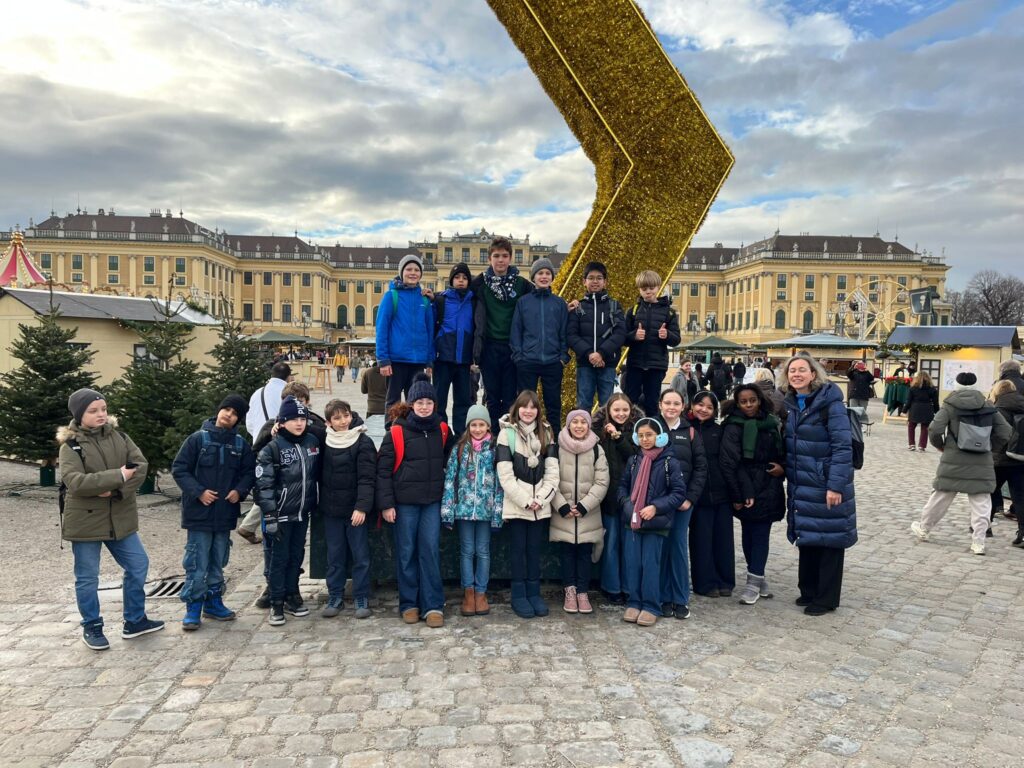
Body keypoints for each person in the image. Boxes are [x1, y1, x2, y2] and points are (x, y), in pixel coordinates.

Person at [58, 388, 162, 650]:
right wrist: (119, 475)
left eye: (103, 409)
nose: (101, 414)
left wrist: (117, 489)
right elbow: (76, 482)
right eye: (93, 411)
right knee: (87, 577)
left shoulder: (121, 437)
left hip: (120, 517)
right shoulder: (70, 446)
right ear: (79, 414)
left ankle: (135, 621)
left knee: (138, 564)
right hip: (86, 522)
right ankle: (92, 626)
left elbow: (140, 467)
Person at [170, 394, 256, 631]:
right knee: (197, 563)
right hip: (199, 515)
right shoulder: (197, 440)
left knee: (218, 561)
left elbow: (249, 473)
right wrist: (198, 492)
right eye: (226, 409)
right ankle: (193, 606)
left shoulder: (240, 445)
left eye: (235, 413)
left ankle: (214, 602)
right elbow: (180, 469)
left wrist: (239, 491)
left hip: (224, 515)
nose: (229, 415)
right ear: (219, 410)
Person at [781, 353, 857, 615]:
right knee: (809, 535)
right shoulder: (792, 403)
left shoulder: (830, 404)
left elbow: (842, 447)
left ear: (813, 374)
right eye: (792, 371)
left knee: (829, 539)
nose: (797, 374)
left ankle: (826, 598)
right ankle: (809, 590)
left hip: (824, 482)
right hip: (802, 482)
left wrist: (835, 485)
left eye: (802, 370)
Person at [376, 375, 453, 628]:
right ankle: (409, 603)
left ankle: (433, 604)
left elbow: (452, 460)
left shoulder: (443, 430)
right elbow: (383, 471)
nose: (424, 407)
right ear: (411, 404)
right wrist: (387, 504)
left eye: (428, 402)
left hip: (431, 501)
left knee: (429, 551)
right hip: (404, 503)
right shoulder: (397, 431)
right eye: (419, 402)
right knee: (406, 552)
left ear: (435, 405)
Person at [911, 372, 1011, 555]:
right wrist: (989, 447)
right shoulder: (987, 405)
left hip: (954, 459)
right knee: (981, 502)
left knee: (940, 497)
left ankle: (924, 528)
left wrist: (942, 446)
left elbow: (935, 429)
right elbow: (1005, 431)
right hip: (981, 461)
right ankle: (978, 542)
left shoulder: (950, 405)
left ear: (956, 385)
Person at [255, 396, 321, 626]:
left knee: (296, 556)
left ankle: (293, 594)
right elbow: (264, 486)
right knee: (278, 559)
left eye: (302, 418)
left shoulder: (312, 441)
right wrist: (270, 515)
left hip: (302, 512)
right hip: (280, 513)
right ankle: (276, 601)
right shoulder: (272, 448)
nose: (299, 423)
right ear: (281, 422)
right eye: (293, 419)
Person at [719, 385, 786, 605]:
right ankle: (757, 578)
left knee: (760, 534)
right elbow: (729, 462)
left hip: (769, 485)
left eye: (752, 400)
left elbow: (783, 451)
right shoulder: (733, 426)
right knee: (749, 534)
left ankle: (754, 581)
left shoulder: (771, 423)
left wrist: (783, 468)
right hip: (745, 486)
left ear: (760, 400)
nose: (748, 405)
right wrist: (738, 494)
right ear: (737, 403)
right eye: (743, 401)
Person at [496, 390, 559, 619]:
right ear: (517, 408)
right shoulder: (506, 434)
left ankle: (534, 593)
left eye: (533, 407)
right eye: (524, 406)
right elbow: (505, 475)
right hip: (517, 506)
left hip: (540, 506)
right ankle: (519, 595)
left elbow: (552, 472)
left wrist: (541, 499)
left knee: (534, 550)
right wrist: (525, 500)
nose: (528, 411)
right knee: (518, 550)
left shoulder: (547, 432)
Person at [618, 417, 687, 627]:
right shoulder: (634, 461)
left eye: (649, 435)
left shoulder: (669, 462)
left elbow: (678, 493)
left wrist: (656, 507)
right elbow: (622, 487)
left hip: (656, 523)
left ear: (660, 436)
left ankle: (651, 605)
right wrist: (627, 505)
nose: (645, 439)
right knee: (633, 563)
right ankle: (634, 601)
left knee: (651, 565)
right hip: (633, 521)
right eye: (641, 436)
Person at [441, 403, 504, 617]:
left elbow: (499, 484)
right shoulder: (460, 449)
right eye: (474, 425)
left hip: (486, 511)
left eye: (481, 425)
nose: (477, 429)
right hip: (464, 510)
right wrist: (447, 511)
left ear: (488, 426)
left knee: (483, 551)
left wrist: (497, 513)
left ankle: (480, 592)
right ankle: (468, 592)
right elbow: (450, 480)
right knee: (467, 551)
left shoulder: (494, 450)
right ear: (468, 426)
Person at [319, 399, 376, 620]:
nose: (343, 421)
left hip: (355, 510)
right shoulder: (324, 440)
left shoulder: (362, 441)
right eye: (337, 418)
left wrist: (362, 507)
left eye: (346, 416)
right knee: (335, 555)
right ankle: (335, 595)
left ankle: (361, 596)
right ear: (329, 422)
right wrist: (276, 426)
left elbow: (367, 477)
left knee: (360, 556)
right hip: (332, 509)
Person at [550, 409, 610, 614]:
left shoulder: (597, 449)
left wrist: (585, 505)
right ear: (568, 425)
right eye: (574, 422)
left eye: (583, 422)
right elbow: (550, 479)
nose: (578, 426)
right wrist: (561, 505)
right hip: (564, 512)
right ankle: (570, 591)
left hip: (588, 512)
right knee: (567, 553)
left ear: (589, 425)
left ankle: (583, 592)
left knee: (585, 554)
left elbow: (602, 481)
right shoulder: (557, 448)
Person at [471, 237, 534, 429]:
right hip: (489, 346)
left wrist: (565, 305)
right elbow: (459, 296)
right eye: (496, 256)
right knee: (491, 395)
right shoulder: (480, 283)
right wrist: (435, 297)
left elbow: (541, 299)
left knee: (509, 396)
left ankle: (507, 435)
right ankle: (492, 436)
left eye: (505, 256)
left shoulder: (522, 285)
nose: (500, 260)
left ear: (510, 258)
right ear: (489, 258)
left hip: (512, 347)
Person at [657, 388, 707, 620]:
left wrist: (690, 498)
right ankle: (663, 597)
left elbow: (700, 468)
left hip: (682, 502)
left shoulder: (691, 432)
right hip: (657, 502)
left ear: (683, 406)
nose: (671, 407)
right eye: (667, 402)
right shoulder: (651, 427)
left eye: (676, 403)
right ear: (660, 404)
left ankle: (680, 598)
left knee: (677, 547)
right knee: (660, 548)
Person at [592, 393, 643, 605]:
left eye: (625, 410)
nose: (621, 414)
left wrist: (619, 437)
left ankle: (629, 587)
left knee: (630, 545)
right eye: (616, 410)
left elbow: (634, 455)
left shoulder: (637, 431)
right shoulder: (599, 431)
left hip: (631, 496)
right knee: (611, 543)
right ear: (609, 411)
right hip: (609, 497)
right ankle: (612, 587)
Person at [686, 391, 735, 598]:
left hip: (721, 493)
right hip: (698, 495)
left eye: (709, 407)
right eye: (700, 404)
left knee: (724, 540)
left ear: (715, 411)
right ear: (692, 405)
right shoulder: (685, 429)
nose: (704, 409)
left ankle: (725, 581)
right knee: (701, 541)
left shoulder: (719, 431)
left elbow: (729, 461)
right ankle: (704, 583)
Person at [511, 257, 569, 428]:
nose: (544, 277)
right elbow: (516, 331)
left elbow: (564, 332)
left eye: (547, 273)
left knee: (553, 404)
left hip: (553, 362)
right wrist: (519, 357)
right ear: (533, 277)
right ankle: (524, 436)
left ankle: (553, 438)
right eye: (540, 273)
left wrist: (563, 357)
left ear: (552, 277)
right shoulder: (523, 302)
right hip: (528, 361)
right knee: (525, 405)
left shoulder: (559, 303)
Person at [376, 253, 435, 410]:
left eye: (417, 269)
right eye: (409, 269)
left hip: (418, 361)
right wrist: (383, 359)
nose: (413, 273)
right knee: (393, 402)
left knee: (417, 402)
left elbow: (430, 332)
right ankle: (392, 426)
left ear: (421, 274)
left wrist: (429, 360)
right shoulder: (391, 296)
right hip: (396, 360)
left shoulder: (425, 300)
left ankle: (412, 426)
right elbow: (381, 329)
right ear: (402, 272)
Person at [567, 261, 627, 411]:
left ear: (605, 282)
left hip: (607, 363)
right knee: (583, 406)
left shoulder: (614, 305)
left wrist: (601, 353)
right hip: (585, 363)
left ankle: (607, 428)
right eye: (591, 278)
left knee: (607, 407)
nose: (595, 281)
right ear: (584, 281)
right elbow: (571, 335)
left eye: (599, 278)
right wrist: (589, 354)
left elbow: (620, 333)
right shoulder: (578, 307)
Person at [623, 271, 681, 417]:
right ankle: (629, 428)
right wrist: (634, 336)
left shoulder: (669, 313)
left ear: (658, 287)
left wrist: (667, 335)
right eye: (644, 289)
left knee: (652, 402)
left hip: (656, 365)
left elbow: (676, 340)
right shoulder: (633, 311)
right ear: (639, 289)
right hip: (635, 364)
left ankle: (651, 428)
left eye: (651, 288)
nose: (648, 291)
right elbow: (622, 338)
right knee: (630, 401)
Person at [433, 262, 475, 434]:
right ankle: (440, 434)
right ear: (451, 280)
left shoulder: (474, 301)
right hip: (443, 358)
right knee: (439, 400)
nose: (461, 280)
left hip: (464, 360)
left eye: (464, 278)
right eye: (457, 277)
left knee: (463, 401)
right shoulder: (440, 300)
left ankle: (460, 437)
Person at [988, 380, 1024, 545]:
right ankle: (1023, 533)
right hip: (1020, 459)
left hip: (999, 460)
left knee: (989, 492)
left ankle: (984, 526)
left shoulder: (997, 410)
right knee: (1020, 497)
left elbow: (993, 434)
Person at [246, 362, 291, 440]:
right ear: (289, 377)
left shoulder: (257, 393)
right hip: (281, 443)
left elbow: (249, 424)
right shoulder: (290, 394)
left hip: (259, 442)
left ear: (272, 375)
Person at [905, 372, 939, 451]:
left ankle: (912, 444)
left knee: (911, 426)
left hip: (915, 408)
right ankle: (922, 446)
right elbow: (935, 402)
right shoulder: (932, 389)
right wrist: (937, 411)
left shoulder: (913, 388)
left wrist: (904, 410)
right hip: (927, 409)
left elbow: (908, 401)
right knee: (925, 427)